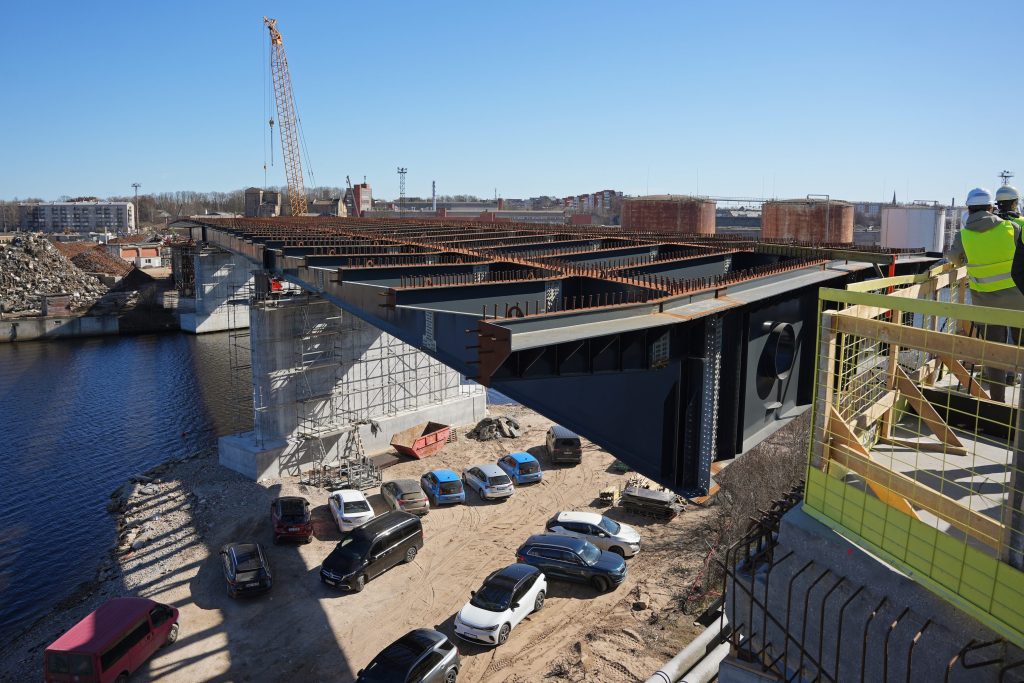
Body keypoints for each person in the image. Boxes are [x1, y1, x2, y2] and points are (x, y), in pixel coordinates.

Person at [945, 187, 1024, 401]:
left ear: (969, 209)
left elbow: (954, 258)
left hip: (986, 306)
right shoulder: (1013, 228)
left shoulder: (964, 235)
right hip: (1019, 303)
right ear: (991, 208)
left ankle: (998, 404)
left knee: (993, 354)